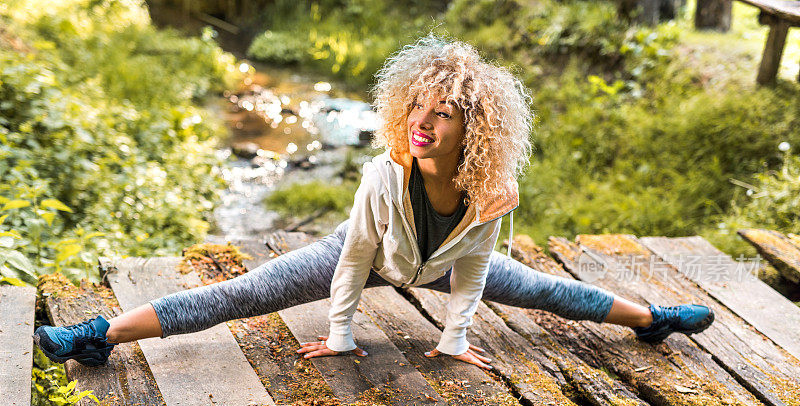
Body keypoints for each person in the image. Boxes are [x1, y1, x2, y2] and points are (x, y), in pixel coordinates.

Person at [34, 36, 714, 370]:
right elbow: (358, 254)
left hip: (441, 268)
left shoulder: (489, 191)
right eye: (416, 107)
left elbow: (474, 271)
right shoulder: (384, 175)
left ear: (472, 128)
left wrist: (455, 339)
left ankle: (652, 320)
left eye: (442, 113)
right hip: (362, 249)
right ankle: (97, 335)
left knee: (546, 290)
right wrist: (340, 335)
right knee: (239, 295)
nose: (423, 122)